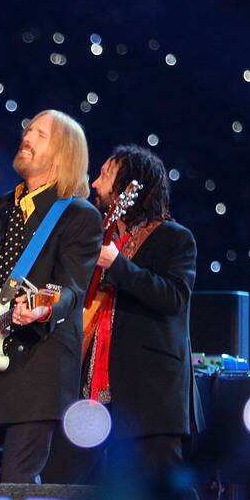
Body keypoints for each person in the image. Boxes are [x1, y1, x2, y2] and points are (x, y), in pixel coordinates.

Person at [0, 110, 102, 484]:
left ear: (63, 153)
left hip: (37, 368)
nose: (27, 137)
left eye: (40, 134)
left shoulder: (79, 216)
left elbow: (71, 290)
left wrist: (43, 310)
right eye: (28, 130)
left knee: (17, 483)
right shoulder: (4, 207)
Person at [67, 144, 202, 480]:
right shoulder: (100, 238)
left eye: (104, 175)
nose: (94, 184)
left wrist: (119, 266)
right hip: (95, 392)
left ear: (129, 187)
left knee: (163, 492)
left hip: (151, 394)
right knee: (84, 489)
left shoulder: (175, 238)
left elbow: (174, 298)